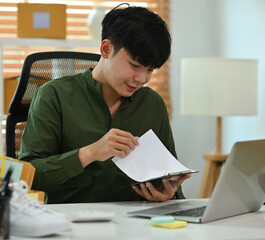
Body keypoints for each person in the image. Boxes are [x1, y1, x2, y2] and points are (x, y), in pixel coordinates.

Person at [19, 5, 191, 204]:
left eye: (150, 70)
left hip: (138, 225)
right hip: (72, 225)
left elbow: (168, 176)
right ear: (106, 49)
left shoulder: (153, 104)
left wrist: (169, 194)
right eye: (135, 65)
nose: (142, 78)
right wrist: (89, 153)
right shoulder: (54, 96)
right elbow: (28, 176)